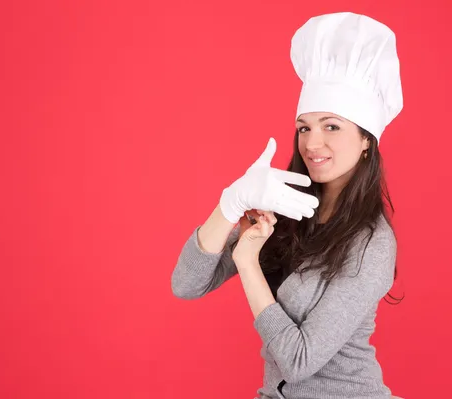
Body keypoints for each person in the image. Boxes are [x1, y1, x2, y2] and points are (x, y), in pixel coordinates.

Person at [171, 12, 405, 399]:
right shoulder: (282, 209)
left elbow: (299, 361)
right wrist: (231, 203)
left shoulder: (371, 243)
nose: (313, 143)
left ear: (367, 140)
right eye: (304, 127)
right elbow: (187, 284)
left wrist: (248, 264)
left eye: (331, 126)